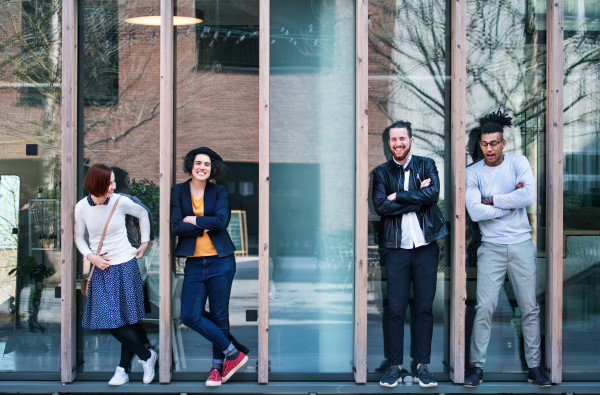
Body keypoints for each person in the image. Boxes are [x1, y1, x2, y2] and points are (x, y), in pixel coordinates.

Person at [463, 110, 551, 388]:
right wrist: (509, 202)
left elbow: (528, 195)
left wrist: (492, 200)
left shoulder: (518, 163)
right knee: (484, 308)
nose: (489, 149)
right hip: (491, 248)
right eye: (485, 144)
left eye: (494, 143)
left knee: (529, 308)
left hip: (522, 245)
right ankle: (476, 367)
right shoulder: (472, 172)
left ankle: (535, 367)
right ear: (481, 145)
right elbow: (475, 212)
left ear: (503, 143)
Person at [372, 121, 448, 388]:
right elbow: (381, 206)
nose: (398, 143)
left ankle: (422, 367)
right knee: (395, 309)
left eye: (402, 138)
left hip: (426, 247)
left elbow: (433, 193)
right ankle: (395, 367)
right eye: (393, 140)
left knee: (424, 309)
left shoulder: (426, 164)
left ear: (411, 140)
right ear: (389, 144)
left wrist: (399, 196)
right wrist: (416, 199)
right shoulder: (381, 173)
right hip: (396, 250)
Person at [170, 147, 248, 387]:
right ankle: (233, 353)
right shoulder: (178, 191)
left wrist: (192, 220)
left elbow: (222, 222)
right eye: (198, 163)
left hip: (221, 261)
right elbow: (175, 226)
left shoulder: (219, 191)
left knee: (218, 315)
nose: (202, 167)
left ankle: (217, 368)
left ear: (212, 168)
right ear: (191, 166)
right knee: (189, 315)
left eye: (206, 164)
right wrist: (206, 224)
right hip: (194, 263)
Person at [74, 163, 157, 386]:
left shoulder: (120, 202)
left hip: (126, 265)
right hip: (101, 268)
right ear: (97, 183)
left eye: (113, 181)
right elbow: (78, 238)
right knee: (111, 319)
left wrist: (145, 242)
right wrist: (91, 257)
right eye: (110, 182)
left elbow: (143, 214)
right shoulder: (82, 207)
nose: (114, 186)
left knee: (127, 318)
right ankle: (147, 356)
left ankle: (122, 369)